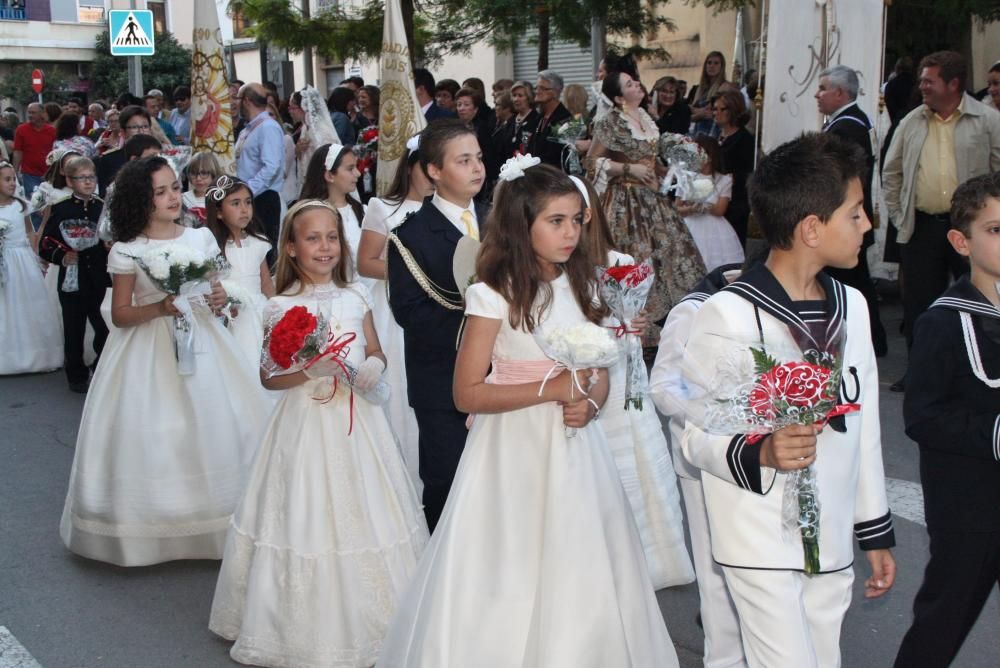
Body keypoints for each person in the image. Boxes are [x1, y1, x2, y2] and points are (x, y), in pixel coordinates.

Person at [379, 161, 679, 666]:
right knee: (512, 564)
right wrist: (555, 387)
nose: (570, 232)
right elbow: (467, 393)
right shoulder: (491, 293)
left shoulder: (583, 286)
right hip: (511, 451)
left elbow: (599, 367)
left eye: (576, 220)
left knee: (580, 561)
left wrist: (591, 398)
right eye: (555, 221)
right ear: (523, 224)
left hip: (578, 454)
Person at [681, 133, 896, 667]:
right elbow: (696, 437)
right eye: (856, 212)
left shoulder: (854, 307)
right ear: (811, 229)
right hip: (757, 535)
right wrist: (762, 451)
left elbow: (863, 428)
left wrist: (873, 531)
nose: (867, 225)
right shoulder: (728, 314)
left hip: (832, 537)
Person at [209, 198, 428, 667]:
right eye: (312, 238)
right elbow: (270, 376)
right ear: (291, 247)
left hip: (359, 423)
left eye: (332, 237)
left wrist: (372, 364)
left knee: (367, 506)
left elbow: (375, 348)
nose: (325, 247)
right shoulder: (279, 306)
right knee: (305, 510)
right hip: (305, 423)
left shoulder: (356, 296)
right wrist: (310, 371)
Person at [59, 156, 270, 566]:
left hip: (205, 344)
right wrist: (160, 308)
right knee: (157, 432)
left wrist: (220, 299)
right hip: (147, 349)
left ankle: (218, 518)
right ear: (142, 199)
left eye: (175, 187)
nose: (173, 196)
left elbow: (216, 291)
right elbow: (120, 314)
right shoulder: (127, 250)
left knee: (213, 423)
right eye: (161, 191)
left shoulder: (200, 240)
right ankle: (154, 523)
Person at [893, 172, 1000, 666]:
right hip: (969, 507)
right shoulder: (942, 320)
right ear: (961, 241)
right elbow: (922, 417)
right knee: (945, 616)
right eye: (996, 230)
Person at [573, 174, 695, 590]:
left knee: (635, 464)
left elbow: (640, 313)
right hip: (586, 379)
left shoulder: (619, 262)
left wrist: (634, 322)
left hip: (623, 377)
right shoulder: (559, 271)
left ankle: (650, 555)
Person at [387, 119, 487, 532]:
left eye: (478, 157)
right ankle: (442, 572)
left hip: (505, 376)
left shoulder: (502, 219)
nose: (477, 168)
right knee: (448, 479)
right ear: (434, 171)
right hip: (442, 381)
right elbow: (409, 311)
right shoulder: (410, 235)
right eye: (463, 161)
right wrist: (480, 328)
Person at [650, 262, 749, 668]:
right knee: (714, 570)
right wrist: (716, 423)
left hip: (756, 460)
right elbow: (663, 387)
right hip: (703, 460)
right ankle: (723, 659)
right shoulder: (693, 310)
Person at [883, 51, 1000, 390]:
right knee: (919, 304)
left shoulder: (987, 120)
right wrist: (899, 212)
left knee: (983, 298)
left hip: (973, 230)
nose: (922, 87)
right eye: (921, 80)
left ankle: (982, 367)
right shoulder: (911, 121)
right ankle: (920, 371)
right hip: (923, 226)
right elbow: (891, 172)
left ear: (953, 83)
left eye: (929, 81)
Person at [587, 68, 706, 344]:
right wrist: (629, 169)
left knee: (671, 259)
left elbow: (653, 162)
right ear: (618, 98)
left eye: (635, 80)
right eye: (629, 83)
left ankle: (670, 329)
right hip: (623, 202)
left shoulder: (647, 119)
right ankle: (631, 330)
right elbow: (592, 162)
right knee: (632, 260)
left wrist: (675, 170)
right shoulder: (610, 123)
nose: (637, 85)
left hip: (653, 201)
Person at [358, 134, 435, 490]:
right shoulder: (383, 207)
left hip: (439, 308)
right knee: (402, 387)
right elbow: (365, 262)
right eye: (427, 169)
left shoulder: (450, 209)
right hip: (395, 309)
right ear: (412, 167)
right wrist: (414, 271)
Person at [815, 64, 889, 357]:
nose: (817, 95)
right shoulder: (850, 121)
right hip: (847, 217)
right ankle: (870, 340)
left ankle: (868, 341)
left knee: (851, 284)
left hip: (843, 218)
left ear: (840, 92)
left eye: (823, 89)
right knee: (854, 282)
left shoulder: (848, 126)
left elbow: (839, 176)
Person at [37, 156, 109, 393]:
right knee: (74, 327)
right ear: (69, 180)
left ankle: (100, 366)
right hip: (72, 276)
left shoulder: (101, 206)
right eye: (82, 178)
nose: (88, 183)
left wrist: (109, 245)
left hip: (99, 275)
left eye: (91, 177)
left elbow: (110, 233)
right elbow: (46, 242)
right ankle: (76, 374)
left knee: (103, 325)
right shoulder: (62, 207)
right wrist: (62, 255)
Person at [203, 175, 275, 370]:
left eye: (248, 202)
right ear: (218, 212)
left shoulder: (258, 242)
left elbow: (266, 283)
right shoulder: (211, 248)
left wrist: (278, 310)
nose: (244, 209)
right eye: (235, 203)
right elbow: (207, 287)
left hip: (258, 312)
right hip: (230, 316)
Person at [0, 160, 62, 375]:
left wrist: (37, 255)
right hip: (3, 259)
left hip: (22, 262)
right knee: (5, 307)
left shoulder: (21, 206)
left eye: (13, 179)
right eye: (6, 179)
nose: (12, 183)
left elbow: (30, 232)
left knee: (26, 303)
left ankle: (36, 354)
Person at [676, 135, 745, 272]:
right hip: (690, 225)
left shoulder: (723, 180)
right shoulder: (685, 177)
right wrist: (690, 209)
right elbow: (677, 208)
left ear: (710, 156)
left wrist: (702, 206)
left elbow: (720, 210)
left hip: (715, 229)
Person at [299, 144, 367, 276]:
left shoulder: (363, 211)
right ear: (330, 175)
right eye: (350, 169)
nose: (358, 173)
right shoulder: (308, 216)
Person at [236, 82, 285, 261]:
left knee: (264, 251)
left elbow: (271, 167)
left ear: (247, 101)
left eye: (238, 98)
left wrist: (248, 190)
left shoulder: (268, 127)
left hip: (262, 197)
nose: (235, 103)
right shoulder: (248, 128)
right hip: (250, 197)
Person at [714, 89, 755, 248]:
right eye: (715, 109)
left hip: (735, 202)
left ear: (733, 109)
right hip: (718, 199)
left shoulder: (744, 139)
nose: (716, 113)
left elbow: (745, 172)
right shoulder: (719, 135)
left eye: (722, 109)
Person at [96, 105, 160, 197]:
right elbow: (104, 195)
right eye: (134, 127)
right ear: (123, 132)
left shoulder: (159, 157)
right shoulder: (109, 160)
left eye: (145, 126)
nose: (141, 131)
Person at [12, 102, 56, 221]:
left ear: (42, 113)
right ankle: (36, 233)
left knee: (48, 203)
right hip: (30, 174)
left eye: (33, 112)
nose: (30, 115)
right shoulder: (22, 130)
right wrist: (14, 171)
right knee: (35, 204)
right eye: (29, 112)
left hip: (48, 175)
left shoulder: (52, 131)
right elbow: (18, 152)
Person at [527, 70, 572, 169]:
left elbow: (560, 156)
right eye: (536, 87)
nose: (537, 91)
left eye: (542, 88)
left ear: (555, 92)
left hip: (553, 178)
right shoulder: (538, 118)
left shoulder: (567, 120)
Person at [689, 51, 728, 137]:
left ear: (722, 67)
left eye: (716, 63)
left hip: (714, 131)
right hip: (698, 130)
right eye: (709, 63)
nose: (712, 66)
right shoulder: (700, 88)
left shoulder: (724, 86)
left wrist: (692, 110)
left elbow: (709, 111)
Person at [182, 151, 221, 226]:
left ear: (214, 174)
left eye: (204, 173)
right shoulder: (184, 199)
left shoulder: (219, 199)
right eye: (193, 173)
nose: (198, 178)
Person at [508, 80, 539, 159]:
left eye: (520, 96)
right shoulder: (510, 121)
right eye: (514, 95)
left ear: (529, 98)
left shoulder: (536, 120)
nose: (516, 99)